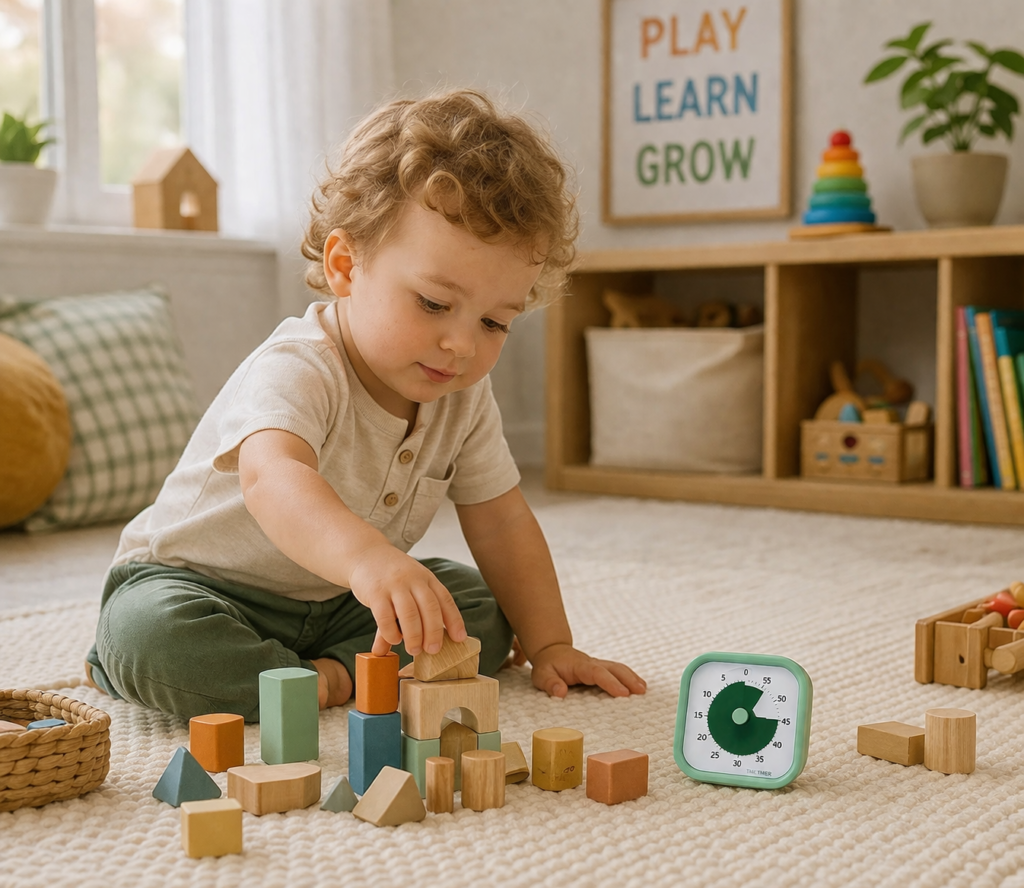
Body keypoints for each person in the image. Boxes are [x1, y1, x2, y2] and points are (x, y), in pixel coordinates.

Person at [84, 88, 646, 721]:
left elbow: (503, 521)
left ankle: (310, 675)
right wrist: (369, 558)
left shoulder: (462, 395)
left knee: (480, 611)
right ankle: (329, 678)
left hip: (340, 602)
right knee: (153, 641)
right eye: (434, 304)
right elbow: (274, 478)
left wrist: (550, 643)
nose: (461, 343)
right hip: (202, 588)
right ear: (346, 266)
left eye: (494, 322)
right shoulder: (299, 365)